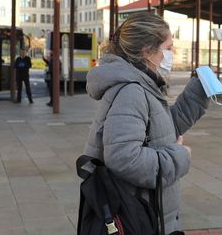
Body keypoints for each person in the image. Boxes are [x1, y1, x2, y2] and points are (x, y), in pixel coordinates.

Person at [84, 12, 209, 234]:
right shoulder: (132, 91)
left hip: (149, 214)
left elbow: (161, 128)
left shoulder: (143, 84)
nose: (172, 53)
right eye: (168, 48)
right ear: (147, 51)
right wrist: (179, 156)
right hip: (140, 218)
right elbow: (123, 158)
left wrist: (199, 90)